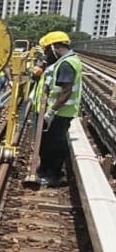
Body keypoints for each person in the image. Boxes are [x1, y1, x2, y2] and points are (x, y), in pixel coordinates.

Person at [35, 31, 83, 187]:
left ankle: (53, 175)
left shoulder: (66, 64)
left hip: (61, 113)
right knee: (49, 142)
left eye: (48, 50)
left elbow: (66, 91)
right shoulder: (69, 60)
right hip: (62, 111)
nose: (48, 54)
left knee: (54, 145)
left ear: (55, 47)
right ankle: (47, 171)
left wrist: (52, 111)